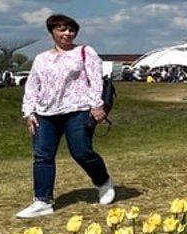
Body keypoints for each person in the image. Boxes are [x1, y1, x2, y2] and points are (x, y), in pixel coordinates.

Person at [17, 14, 116, 218]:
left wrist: (96, 105)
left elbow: (96, 79)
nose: (67, 33)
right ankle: (42, 200)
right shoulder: (42, 58)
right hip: (45, 112)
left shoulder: (84, 52)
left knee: (81, 151)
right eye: (62, 29)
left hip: (77, 109)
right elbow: (33, 85)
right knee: (42, 156)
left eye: (71, 30)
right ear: (52, 32)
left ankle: (103, 181)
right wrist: (29, 112)